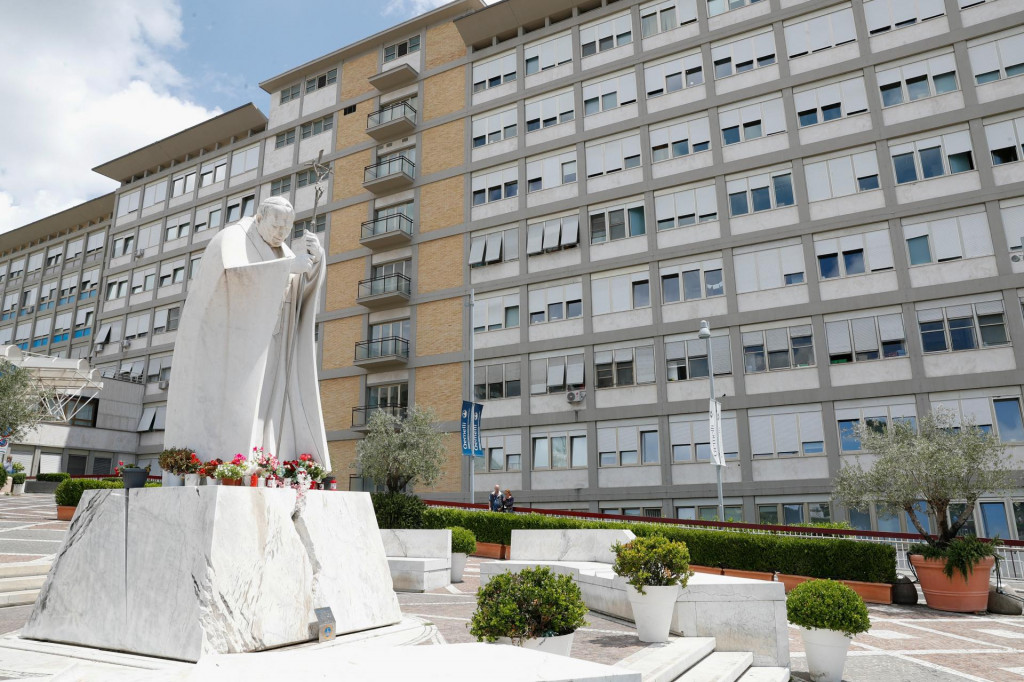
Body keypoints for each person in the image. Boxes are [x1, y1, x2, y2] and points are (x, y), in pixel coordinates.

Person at [164, 197, 330, 468]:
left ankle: (268, 463)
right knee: (246, 408)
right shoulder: (231, 239)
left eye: (286, 229)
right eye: (276, 226)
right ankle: (236, 465)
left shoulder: (282, 250)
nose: (280, 233)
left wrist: (315, 262)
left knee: (273, 408)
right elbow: (233, 276)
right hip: (235, 350)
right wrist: (288, 268)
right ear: (260, 218)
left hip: (274, 343)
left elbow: (297, 290)